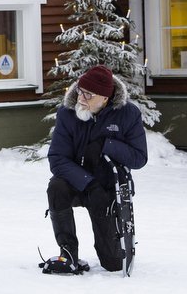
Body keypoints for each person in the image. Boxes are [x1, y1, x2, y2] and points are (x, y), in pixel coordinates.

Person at [43, 64, 147, 275]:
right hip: (78, 183)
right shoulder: (67, 112)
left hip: (108, 188)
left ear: (105, 98)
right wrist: (88, 183)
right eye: (81, 90)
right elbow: (57, 158)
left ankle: (110, 251)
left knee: (113, 264)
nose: (82, 98)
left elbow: (139, 158)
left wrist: (106, 145)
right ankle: (68, 254)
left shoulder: (127, 114)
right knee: (56, 187)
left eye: (89, 95)